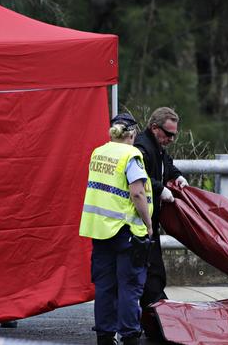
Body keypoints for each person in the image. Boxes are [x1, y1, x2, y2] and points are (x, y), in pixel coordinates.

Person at [79, 113, 154, 345]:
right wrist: (149, 224)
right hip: (126, 229)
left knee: (104, 286)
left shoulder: (98, 152)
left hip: (100, 230)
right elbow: (137, 192)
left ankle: (104, 336)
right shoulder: (132, 155)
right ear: (132, 133)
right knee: (130, 287)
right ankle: (130, 336)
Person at [133, 107, 188, 336]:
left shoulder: (158, 146)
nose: (171, 139)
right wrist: (160, 189)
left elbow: (167, 163)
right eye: (168, 134)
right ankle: (156, 325)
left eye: (174, 135)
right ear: (154, 128)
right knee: (151, 275)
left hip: (150, 222)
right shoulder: (143, 148)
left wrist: (176, 176)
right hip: (139, 223)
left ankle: (155, 322)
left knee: (154, 274)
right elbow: (140, 180)